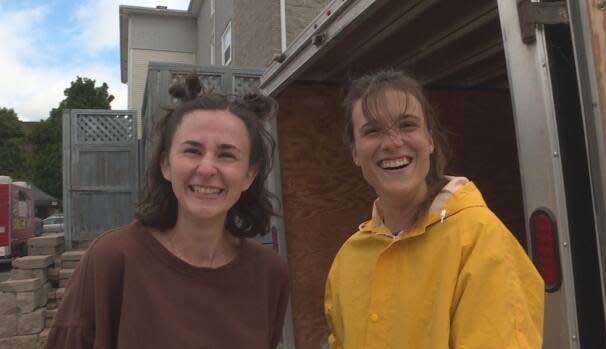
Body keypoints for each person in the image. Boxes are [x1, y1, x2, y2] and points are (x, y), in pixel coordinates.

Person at [46, 75, 289, 349]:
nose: (207, 169)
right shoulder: (112, 260)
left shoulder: (270, 274)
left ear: (249, 175)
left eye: (226, 155)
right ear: (166, 165)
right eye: (192, 151)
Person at [324, 70, 544, 348]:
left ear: (429, 140)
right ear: (355, 152)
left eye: (407, 125)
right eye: (372, 130)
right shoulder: (347, 261)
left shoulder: (479, 238)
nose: (393, 143)